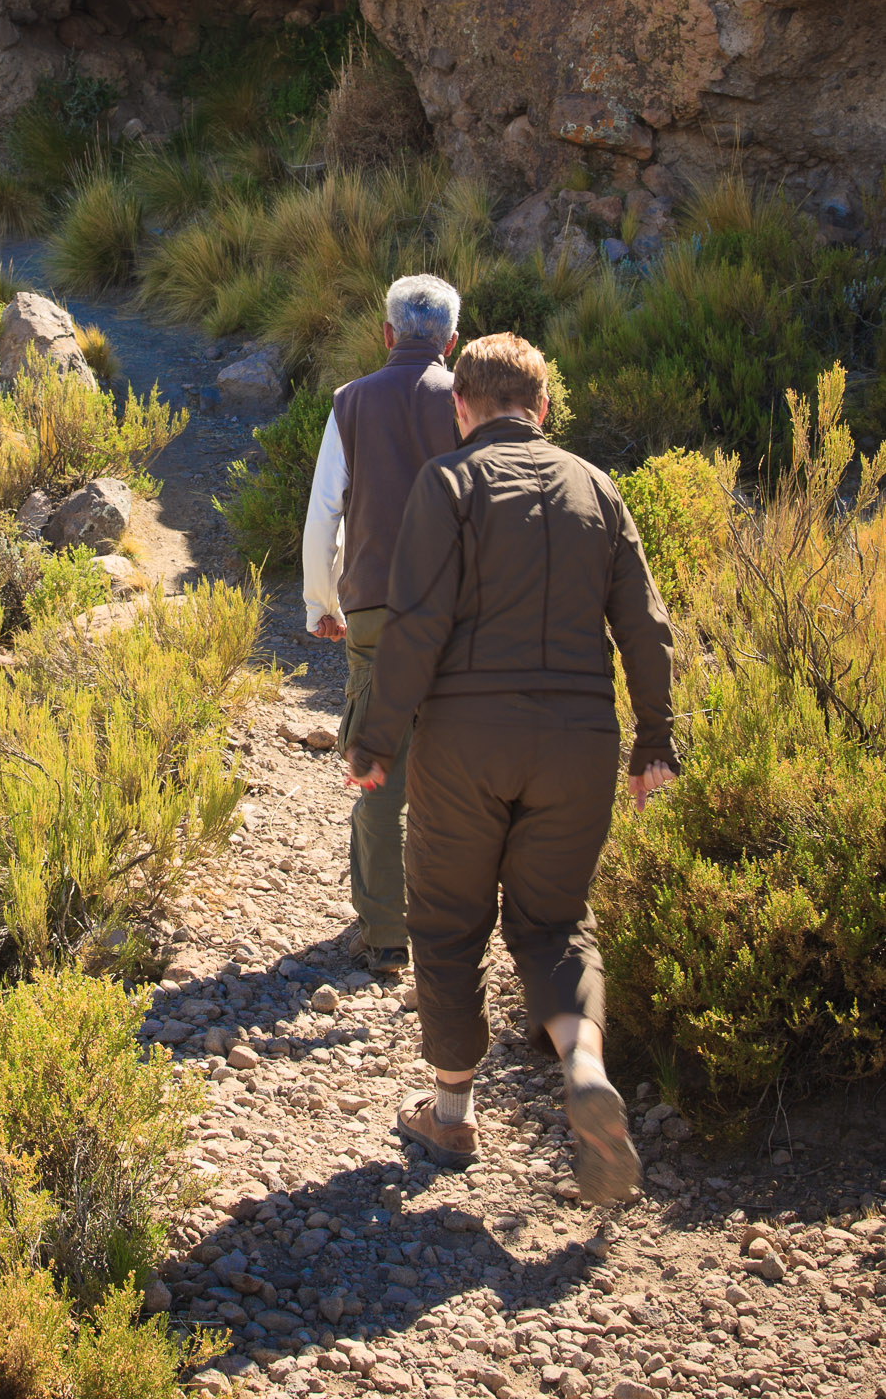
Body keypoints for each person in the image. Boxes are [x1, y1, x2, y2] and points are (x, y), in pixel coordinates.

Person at [344, 332, 677, 1204]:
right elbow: (644, 627)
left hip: (465, 740)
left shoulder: (447, 483)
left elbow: (416, 626)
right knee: (555, 922)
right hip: (578, 741)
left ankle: (450, 1113)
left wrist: (374, 740)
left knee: (448, 919)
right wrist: (655, 743)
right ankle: (582, 1062)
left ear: (461, 406)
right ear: (541, 408)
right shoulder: (597, 489)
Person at [302, 273, 460, 976]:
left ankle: (385, 928)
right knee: (457, 763)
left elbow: (324, 512)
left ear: (387, 333)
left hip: (371, 605)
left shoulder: (351, 400)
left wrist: (321, 603)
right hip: (459, 610)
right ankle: (452, 919)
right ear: (450, 341)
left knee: (374, 761)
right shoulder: (468, 397)